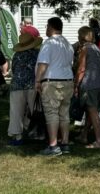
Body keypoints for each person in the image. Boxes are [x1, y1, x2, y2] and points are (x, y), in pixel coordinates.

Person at [36, 16, 75, 157]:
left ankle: (53, 146)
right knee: (64, 114)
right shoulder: (67, 44)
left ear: (51, 27)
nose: (46, 29)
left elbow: (43, 64)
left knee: (52, 113)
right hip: (68, 80)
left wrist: (37, 81)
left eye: (47, 26)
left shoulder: (49, 43)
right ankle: (65, 143)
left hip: (52, 81)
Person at [75, 26, 100, 149]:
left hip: (90, 84)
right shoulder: (96, 48)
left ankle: (99, 141)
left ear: (81, 36)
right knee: (91, 112)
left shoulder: (85, 49)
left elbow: (82, 69)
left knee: (93, 113)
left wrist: (76, 84)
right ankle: (84, 135)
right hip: (99, 83)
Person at [8, 31, 42, 145]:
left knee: (16, 111)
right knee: (34, 110)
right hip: (33, 84)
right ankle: (35, 132)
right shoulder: (37, 54)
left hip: (17, 85)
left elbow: (13, 69)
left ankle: (17, 136)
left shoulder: (16, 55)